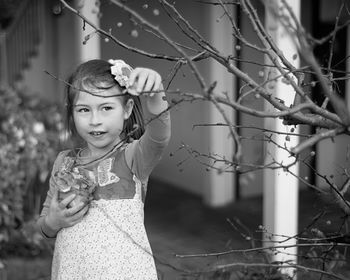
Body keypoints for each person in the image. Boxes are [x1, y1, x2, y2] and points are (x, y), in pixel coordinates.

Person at [37, 59, 171, 280]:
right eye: (83, 110)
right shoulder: (64, 163)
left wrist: (155, 94)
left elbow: (159, 136)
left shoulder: (132, 158)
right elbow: (44, 226)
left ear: (127, 109)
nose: (95, 120)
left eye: (106, 108)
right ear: (72, 113)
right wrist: (54, 222)